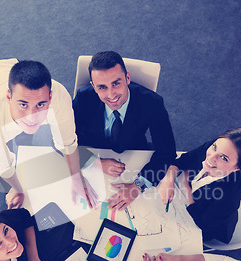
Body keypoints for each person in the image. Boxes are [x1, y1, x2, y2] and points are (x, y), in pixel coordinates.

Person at [0, 58, 97, 210]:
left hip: (7, 66)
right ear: (9, 97)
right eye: (23, 105)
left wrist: (76, 178)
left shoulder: (60, 97)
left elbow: (68, 143)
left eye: (40, 104)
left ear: (50, 97)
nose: (32, 117)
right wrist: (18, 189)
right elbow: (4, 168)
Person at [73, 51, 176, 210]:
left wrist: (137, 186)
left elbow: (167, 152)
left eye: (116, 83)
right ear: (93, 86)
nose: (111, 94)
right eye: (102, 87)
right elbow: (62, 141)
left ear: (127, 78)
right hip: (93, 154)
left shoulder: (152, 103)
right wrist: (95, 162)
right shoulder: (83, 98)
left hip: (133, 152)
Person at [157, 127, 241, 243]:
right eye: (215, 147)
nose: (210, 157)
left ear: (236, 167)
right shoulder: (210, 147)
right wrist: (168, 179)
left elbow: (204, 227)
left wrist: (187, 190)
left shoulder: (230, 195)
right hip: (180, 201)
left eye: (223, 158)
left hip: (202, 226)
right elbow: (182, 160)